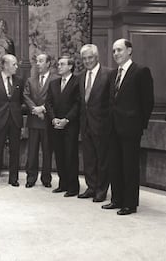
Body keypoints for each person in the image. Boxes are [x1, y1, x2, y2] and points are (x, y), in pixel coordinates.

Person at [102, 39, 154, 215]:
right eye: (114, 51)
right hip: (113, 127)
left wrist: (140, 125)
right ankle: (116, 200)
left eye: (119, 50)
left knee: (130, 167)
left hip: (130, 128)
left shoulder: (140, 71)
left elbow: (147, 102)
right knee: (115, 165)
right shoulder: (112, 74)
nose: (116, 53)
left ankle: (130, 204)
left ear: (129, 50)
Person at [78, 44, 111, 202]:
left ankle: (101, 190)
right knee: (89, 159)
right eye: (84, 58)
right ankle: (91, 187)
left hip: (102, 125)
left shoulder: (108, 74)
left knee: (102, 159)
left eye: (90, 57)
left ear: (96, 57)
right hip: (85, 125)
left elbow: (111, 102)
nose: (87, 61)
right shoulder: (81, 76)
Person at [0, 54, 24, 187]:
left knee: (15, 150)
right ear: (5, 65)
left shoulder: (19, 80)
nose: (16, 67)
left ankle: (13, 179)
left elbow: (20, 101)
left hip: (15, 119)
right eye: (14, 64)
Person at [45, 56, 80, 197]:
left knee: (70, 156)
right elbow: (48, 103)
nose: (59, 66)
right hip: (55, 125)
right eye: (58, 64)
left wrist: (66, 119)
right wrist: (53, 119)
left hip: (70, 125)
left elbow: (78, 104)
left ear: (70, 66)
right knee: (59, 155)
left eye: (62, 64)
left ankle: (73, 187)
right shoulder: (53, 83)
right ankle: (63, 184)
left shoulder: (77, 82)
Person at [23, 53, 59, 188]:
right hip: (33, 121)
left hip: (47, 121)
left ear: (48, 63)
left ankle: (46, 178)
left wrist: (43, 109)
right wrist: (35, 109)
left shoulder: (56, 79)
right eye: (37, 61)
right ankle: (31, 178)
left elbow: (56, 98)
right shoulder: (30, 80)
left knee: (47, 151)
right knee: (31, 152)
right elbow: (26, 96)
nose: (37, 64)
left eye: (41, 61)